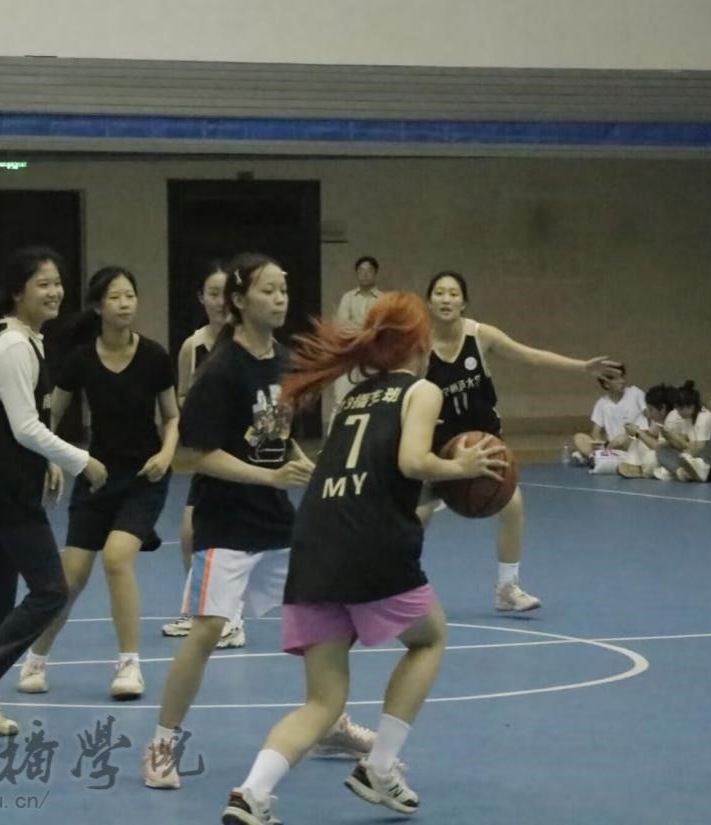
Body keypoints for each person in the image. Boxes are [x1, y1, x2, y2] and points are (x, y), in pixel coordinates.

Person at [220, 291, 505, 825]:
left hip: (314, 542)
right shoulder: (421, 390)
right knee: (430, 637)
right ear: (419, 344)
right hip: (369, 543)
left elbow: (372, 477)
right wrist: (461, 469)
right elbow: (413, 461)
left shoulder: (354, 396)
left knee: (322, 702)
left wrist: (434, 493)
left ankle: (250, 796)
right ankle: (380, 765)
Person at [143, 252, 371, 791]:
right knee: (206, 631)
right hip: (225, 523)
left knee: (326, 615)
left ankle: (328, 721)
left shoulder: (285, 361)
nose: (280, 297)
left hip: (275, 520)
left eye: (283, 288)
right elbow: (195, 455)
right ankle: (161, 745)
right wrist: (269, 477)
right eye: (268, 290)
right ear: (240, 300)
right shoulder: (221, 369)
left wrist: (301, 464)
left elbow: (273, 434)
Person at [0, 247, 108, 737]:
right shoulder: (14, 345)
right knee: (51, 591)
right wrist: (79, 460)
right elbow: (24, 426)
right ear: (18, 292)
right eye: (43, 284)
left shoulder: (23, 340)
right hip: (5, 489)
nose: (55, 292)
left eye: (58, 283)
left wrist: (47, 462)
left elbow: (20, 421)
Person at [16, 266, 178, 700]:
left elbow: (172, 416)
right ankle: (36, 658)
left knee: (117, 558)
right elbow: (49, 416)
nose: (125, 304)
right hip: (97, 476)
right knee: (70, 578)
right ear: (98, 306)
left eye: (130, 296)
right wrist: (53, 459)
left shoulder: (155, 356)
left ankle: (129, 665)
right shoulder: (81, 359)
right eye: (115, 297)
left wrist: (166, 453)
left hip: (144, 478)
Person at [421, 270, 619, 611]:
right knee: (416, 515)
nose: (446, 299)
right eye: (439, 293)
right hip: (442, 448)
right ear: (428, 302)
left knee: (512, 505)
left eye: (453, 293)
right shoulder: (419, 346)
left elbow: (532, 356)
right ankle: (397, 588)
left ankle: (507, 588)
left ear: (464, 302)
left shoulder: (481, 336)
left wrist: (582, 367)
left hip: (485, 445)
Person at [162, 263, 247, 649]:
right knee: (189, 533)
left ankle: (233, 618)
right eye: (212, 294)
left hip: (240, 454)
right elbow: (181, 396)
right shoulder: (192, 347)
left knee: (233, 538)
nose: (219, 301)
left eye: (225, 294)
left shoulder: (246, 343)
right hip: (207, 454)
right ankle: (198, 610)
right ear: (201, 298)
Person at [328, 256, 383, 431]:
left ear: (375, 274)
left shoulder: (383, 299)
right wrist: (368, 328)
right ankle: (333, 440)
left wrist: (360, 327)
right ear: (356, 274)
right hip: (349, 355)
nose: (365, 274)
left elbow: (381, 328)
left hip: (373, 357)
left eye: (369, 270)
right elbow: (342, 326)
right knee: (341, 400)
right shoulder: (347, 298)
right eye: (361, 270)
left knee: (373, 400)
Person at [570, 363, 643, 466]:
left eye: (622, 377)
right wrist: (597, 442)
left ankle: (595, 458)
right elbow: (596, 431)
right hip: (611, 446)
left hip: (633, 442)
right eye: (616, 379)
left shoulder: (635, 393)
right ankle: (599, 456)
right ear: (606, 384)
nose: (622, 381)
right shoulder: (602, 403)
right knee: (579, 438)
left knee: (621, 440)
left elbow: (649, 417)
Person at [652, 380, 711, 480]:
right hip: (691, 453)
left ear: (691, 406)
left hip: (705, 458)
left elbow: (699, 449)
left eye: (680, 409)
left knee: (688, 458)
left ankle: (677, 471)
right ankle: (680, 471)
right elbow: (683, 443)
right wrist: (670, 438)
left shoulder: (704, 418)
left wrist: (684, 452)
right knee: (661, 450)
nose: (678, 413)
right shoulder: (687, 418)